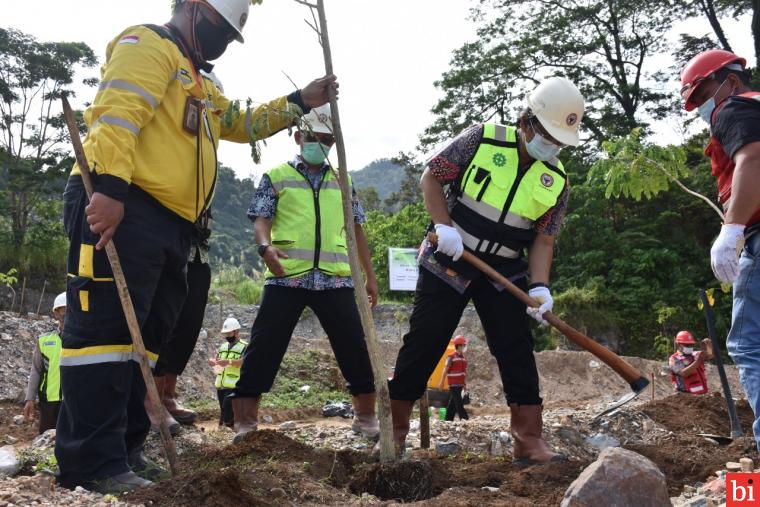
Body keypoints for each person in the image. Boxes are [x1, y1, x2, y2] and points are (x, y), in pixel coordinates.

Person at [56, 0, 337, 493]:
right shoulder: (148, 44)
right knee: (107, 332)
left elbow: (239, 124)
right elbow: (117, 115)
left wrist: (300, 99)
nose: (223, 42)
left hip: (171, 225)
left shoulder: (199, 81)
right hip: (125, 202)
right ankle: (91, 463)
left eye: (230, 36)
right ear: (190, 8)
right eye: (218, 29)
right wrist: (111, 190)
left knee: (143, 341)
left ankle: (124, 450)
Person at [385, 77, 584, 464]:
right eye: (548, 135)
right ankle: (393, 432)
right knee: (426, 341)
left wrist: (540, 287)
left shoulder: (557, 181)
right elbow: (432, 177)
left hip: (505, 270)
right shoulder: (482, 138)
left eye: (560, 141)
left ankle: (527, 439)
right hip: (451, 257)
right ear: (526, 121)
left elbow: (544, 240)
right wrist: (443, 226)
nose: (552, 146)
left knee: (516, 348)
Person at [232, 104, 380, 443]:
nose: (321, 144)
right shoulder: (277, 175)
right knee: (264, 345)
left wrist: (370, 277)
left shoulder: (343, 180)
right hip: (288, 274)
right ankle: (245, 419)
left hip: (335, 277)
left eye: (327, 139)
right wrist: (265, 247)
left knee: (353, 346)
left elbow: (357, 229)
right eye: (314, 138)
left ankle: (366, 415)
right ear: (299, 137)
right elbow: (260, 219)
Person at [680, 49, 760, 448]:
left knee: (751, 344)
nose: (699, 108)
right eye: (693, 102)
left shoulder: (734, 110)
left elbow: (752, 158)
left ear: (730, 80)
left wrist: (732, 229)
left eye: (700, 94)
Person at [149, 70, 225, 434]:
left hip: (196, 244)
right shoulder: (166, 130)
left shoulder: (207, 144)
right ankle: (145, 398)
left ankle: (166, 392)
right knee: (160, 317)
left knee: (188, 318)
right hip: (161, 231)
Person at [23, 293, 66, 434]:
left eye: (70, 309)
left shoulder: (84, 340)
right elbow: (36, 370)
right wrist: (30, 398)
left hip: (73, 401)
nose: (66, 313)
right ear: (56, 313)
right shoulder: (44, 340)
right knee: (46, 443)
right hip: (48, 401)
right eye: (62, 309)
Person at [209, 317, 247, 427]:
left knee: (227, 408)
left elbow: (244, 362)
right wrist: (213, 362)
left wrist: (228, 361)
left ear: (236, 332)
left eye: (228, 333)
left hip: (233, 384)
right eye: (225, 334)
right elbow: (217, 359)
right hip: (220, 384)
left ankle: (229, 428)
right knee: (223, 409)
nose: (226, 336)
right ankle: (226, 429)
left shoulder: (244, 346)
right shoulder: (223, 346)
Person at [669, 330, 713, 395]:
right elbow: (683, 373)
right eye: (687, 345)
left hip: (701, 394)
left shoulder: (695, 354)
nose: (690, 347)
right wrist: (698, 361)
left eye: (691, 344)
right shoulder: (674, 359)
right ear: (679, 344)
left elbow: (710, 356)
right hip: (684, 395)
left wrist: (709, 346)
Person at [438, 335, 469, 421]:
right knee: (459, 403)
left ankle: (448, 420)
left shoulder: (463, 358)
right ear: (459, 345)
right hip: (453, 385)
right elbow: (445, 370)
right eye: (463, 345)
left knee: (453, 404)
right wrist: (441, 383)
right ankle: (465, 420)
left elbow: (463, 374)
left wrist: (465, 386)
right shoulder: (451, 357)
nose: (464, 347)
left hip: (460, 385)